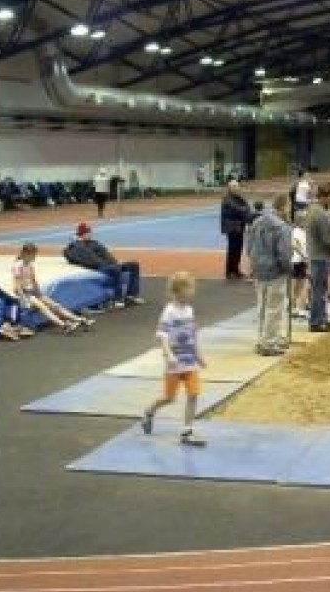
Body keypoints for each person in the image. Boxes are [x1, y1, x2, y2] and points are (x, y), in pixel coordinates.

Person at [141, 272, 207, 447]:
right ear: (179, 290)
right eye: (189, 288)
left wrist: (199, 355)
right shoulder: (169, 311)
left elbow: (193, 334)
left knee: (193, 393)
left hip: (190, 362)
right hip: (174, 363)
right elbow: (162, 334)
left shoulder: (189, 310)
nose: (192, 291)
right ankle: (149, 411)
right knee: (169, 398)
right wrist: (168, 354)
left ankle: (187, 431)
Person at [246, 194, 292, 355]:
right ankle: (269, 342)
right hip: (275, 272)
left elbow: (249, 246)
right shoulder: (283, 227)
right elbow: (284, 254)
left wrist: (254, 263)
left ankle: (264, 339)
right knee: (275, 308)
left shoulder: (257, 222)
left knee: (263, 306)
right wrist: (289, 269)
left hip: (258, 270)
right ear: (284, 206)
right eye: (289, 206)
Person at [11, 243, 91, 334]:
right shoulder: (17, 266)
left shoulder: (30, 265)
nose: (35, 257)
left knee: (55, 305)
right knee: (43, 307)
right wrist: (24, 299)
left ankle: (80, 320)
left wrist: (39, 293)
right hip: (24, 294)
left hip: (33, 292)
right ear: (26, 254)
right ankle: (64, 326)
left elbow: (33, 280)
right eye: (33, 254)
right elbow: (17, 285)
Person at [62, 223, 144, 309]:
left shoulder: (94, 243)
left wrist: (114, 262)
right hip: (97, 267)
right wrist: (77, 242)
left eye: (89, 232)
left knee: (134, 265)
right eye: (87, 232)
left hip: (108, 265)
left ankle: (131, 295)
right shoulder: (75, 247)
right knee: (116, 269)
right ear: (81, 234)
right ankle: (117, 299)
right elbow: (82, 256)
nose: (90, 234)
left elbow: (106, 253)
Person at [306, 187, 330, 332]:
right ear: (324, 197)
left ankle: (321, 319)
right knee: (319, 291)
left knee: (320, 290)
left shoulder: (314, 211)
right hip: (320, 257)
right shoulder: (320, 214)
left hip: (316, 255)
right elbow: (327, 240)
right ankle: (316, 322)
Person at [220, 179, 252, 279]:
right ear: (229, 188)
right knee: (232, 249)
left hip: (239, 226)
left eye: (237, 186)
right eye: (234, 186)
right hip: (231, 227)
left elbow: (247, 207)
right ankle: (229, 272)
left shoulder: (239, 197)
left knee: (238, 249)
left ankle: (236, 270)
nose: (236, 188)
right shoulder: (227, 199)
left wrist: (245, 210)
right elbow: (237, 209)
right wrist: (245, 209)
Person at [290, 209, 311, 319]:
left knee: (298, 287)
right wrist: (304, 256)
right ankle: (299, 309)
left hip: (298, 261)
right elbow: (295, 245)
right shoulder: (297, 232)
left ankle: (295, 309)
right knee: (302, 286)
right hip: (298, 261)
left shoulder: (301, 231)